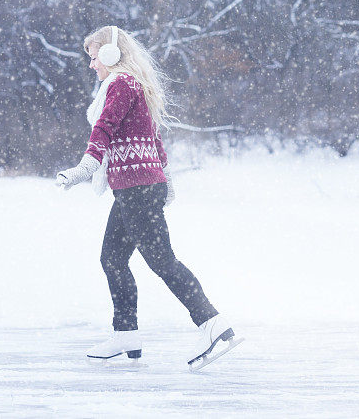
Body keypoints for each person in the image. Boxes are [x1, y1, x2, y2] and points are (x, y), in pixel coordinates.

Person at [55, 25, 240, 369]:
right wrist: (165, 175)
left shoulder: (121, 84)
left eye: (95, 57)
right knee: (112, 258)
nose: (92, 65)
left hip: (137, 187)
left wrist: (86, 165)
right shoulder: (130, 85)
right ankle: (126, 333)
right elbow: (152, 135)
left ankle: (212, 323)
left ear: (111, 55)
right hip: (134, 186)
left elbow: (105, 127)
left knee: (162, 261)